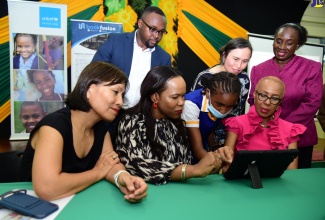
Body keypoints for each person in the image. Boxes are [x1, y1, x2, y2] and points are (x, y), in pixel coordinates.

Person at [19, 61, 148, 202]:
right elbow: (47, 188)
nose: (120, 102)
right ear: (90, 90)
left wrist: (124, 179)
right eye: (115, 92)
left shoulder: (101, 128)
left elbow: (110, 164)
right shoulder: (53, 127)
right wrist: (97, 173)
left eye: (122, 96)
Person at [114, 66, 221, 185]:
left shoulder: (177, 124)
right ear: (155, 97)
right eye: (175, 97)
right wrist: (194, 170)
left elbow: (185, 161)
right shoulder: (131, 122)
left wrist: (216, 159)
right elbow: (135, 164)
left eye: (183, 96)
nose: (181, 102)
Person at [248, 23, 323, 169]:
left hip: (300, 137)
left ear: (298, 45)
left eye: (289, 43)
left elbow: (312, 103)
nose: (282, 47)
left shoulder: (312, 68)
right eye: (278, 41)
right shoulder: (259, 69)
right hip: (265, 135)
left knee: (297, 183)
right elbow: (253, 100)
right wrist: (267, 126)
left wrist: (281, 127)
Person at [218, 76, 306, 172]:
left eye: (274, 98)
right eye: (263, 95)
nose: (267, 102)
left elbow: (292, 173)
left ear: (280, 102)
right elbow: (226, 168)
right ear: (255, 95)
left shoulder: (290, 130)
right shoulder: (236, 124)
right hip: (241, 184)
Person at [92, 6, 171, 109]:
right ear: (140, 23)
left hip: (141, 118)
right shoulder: (115, 42)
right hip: (108, 111)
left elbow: (162, 94)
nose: (157, 36)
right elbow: (94, 72)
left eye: (161, 32)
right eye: (152, 29)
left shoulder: (164, 59)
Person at [181, 72, 241, 163]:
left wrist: (213, 149)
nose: (223, 111)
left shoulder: (218, 100)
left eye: (230, 106)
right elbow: (197, 150)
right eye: (220, 105)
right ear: (208, 93)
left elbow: (209, 127)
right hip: (185, 153)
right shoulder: (191, 105)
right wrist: (220, 164)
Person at [191, 37, 252, 116]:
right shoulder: (204, 78)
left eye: (245, 61)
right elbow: (192, 109)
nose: (239, 65)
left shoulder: (244, 79)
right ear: (224, 55)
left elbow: (238, 112)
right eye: (236, 59)